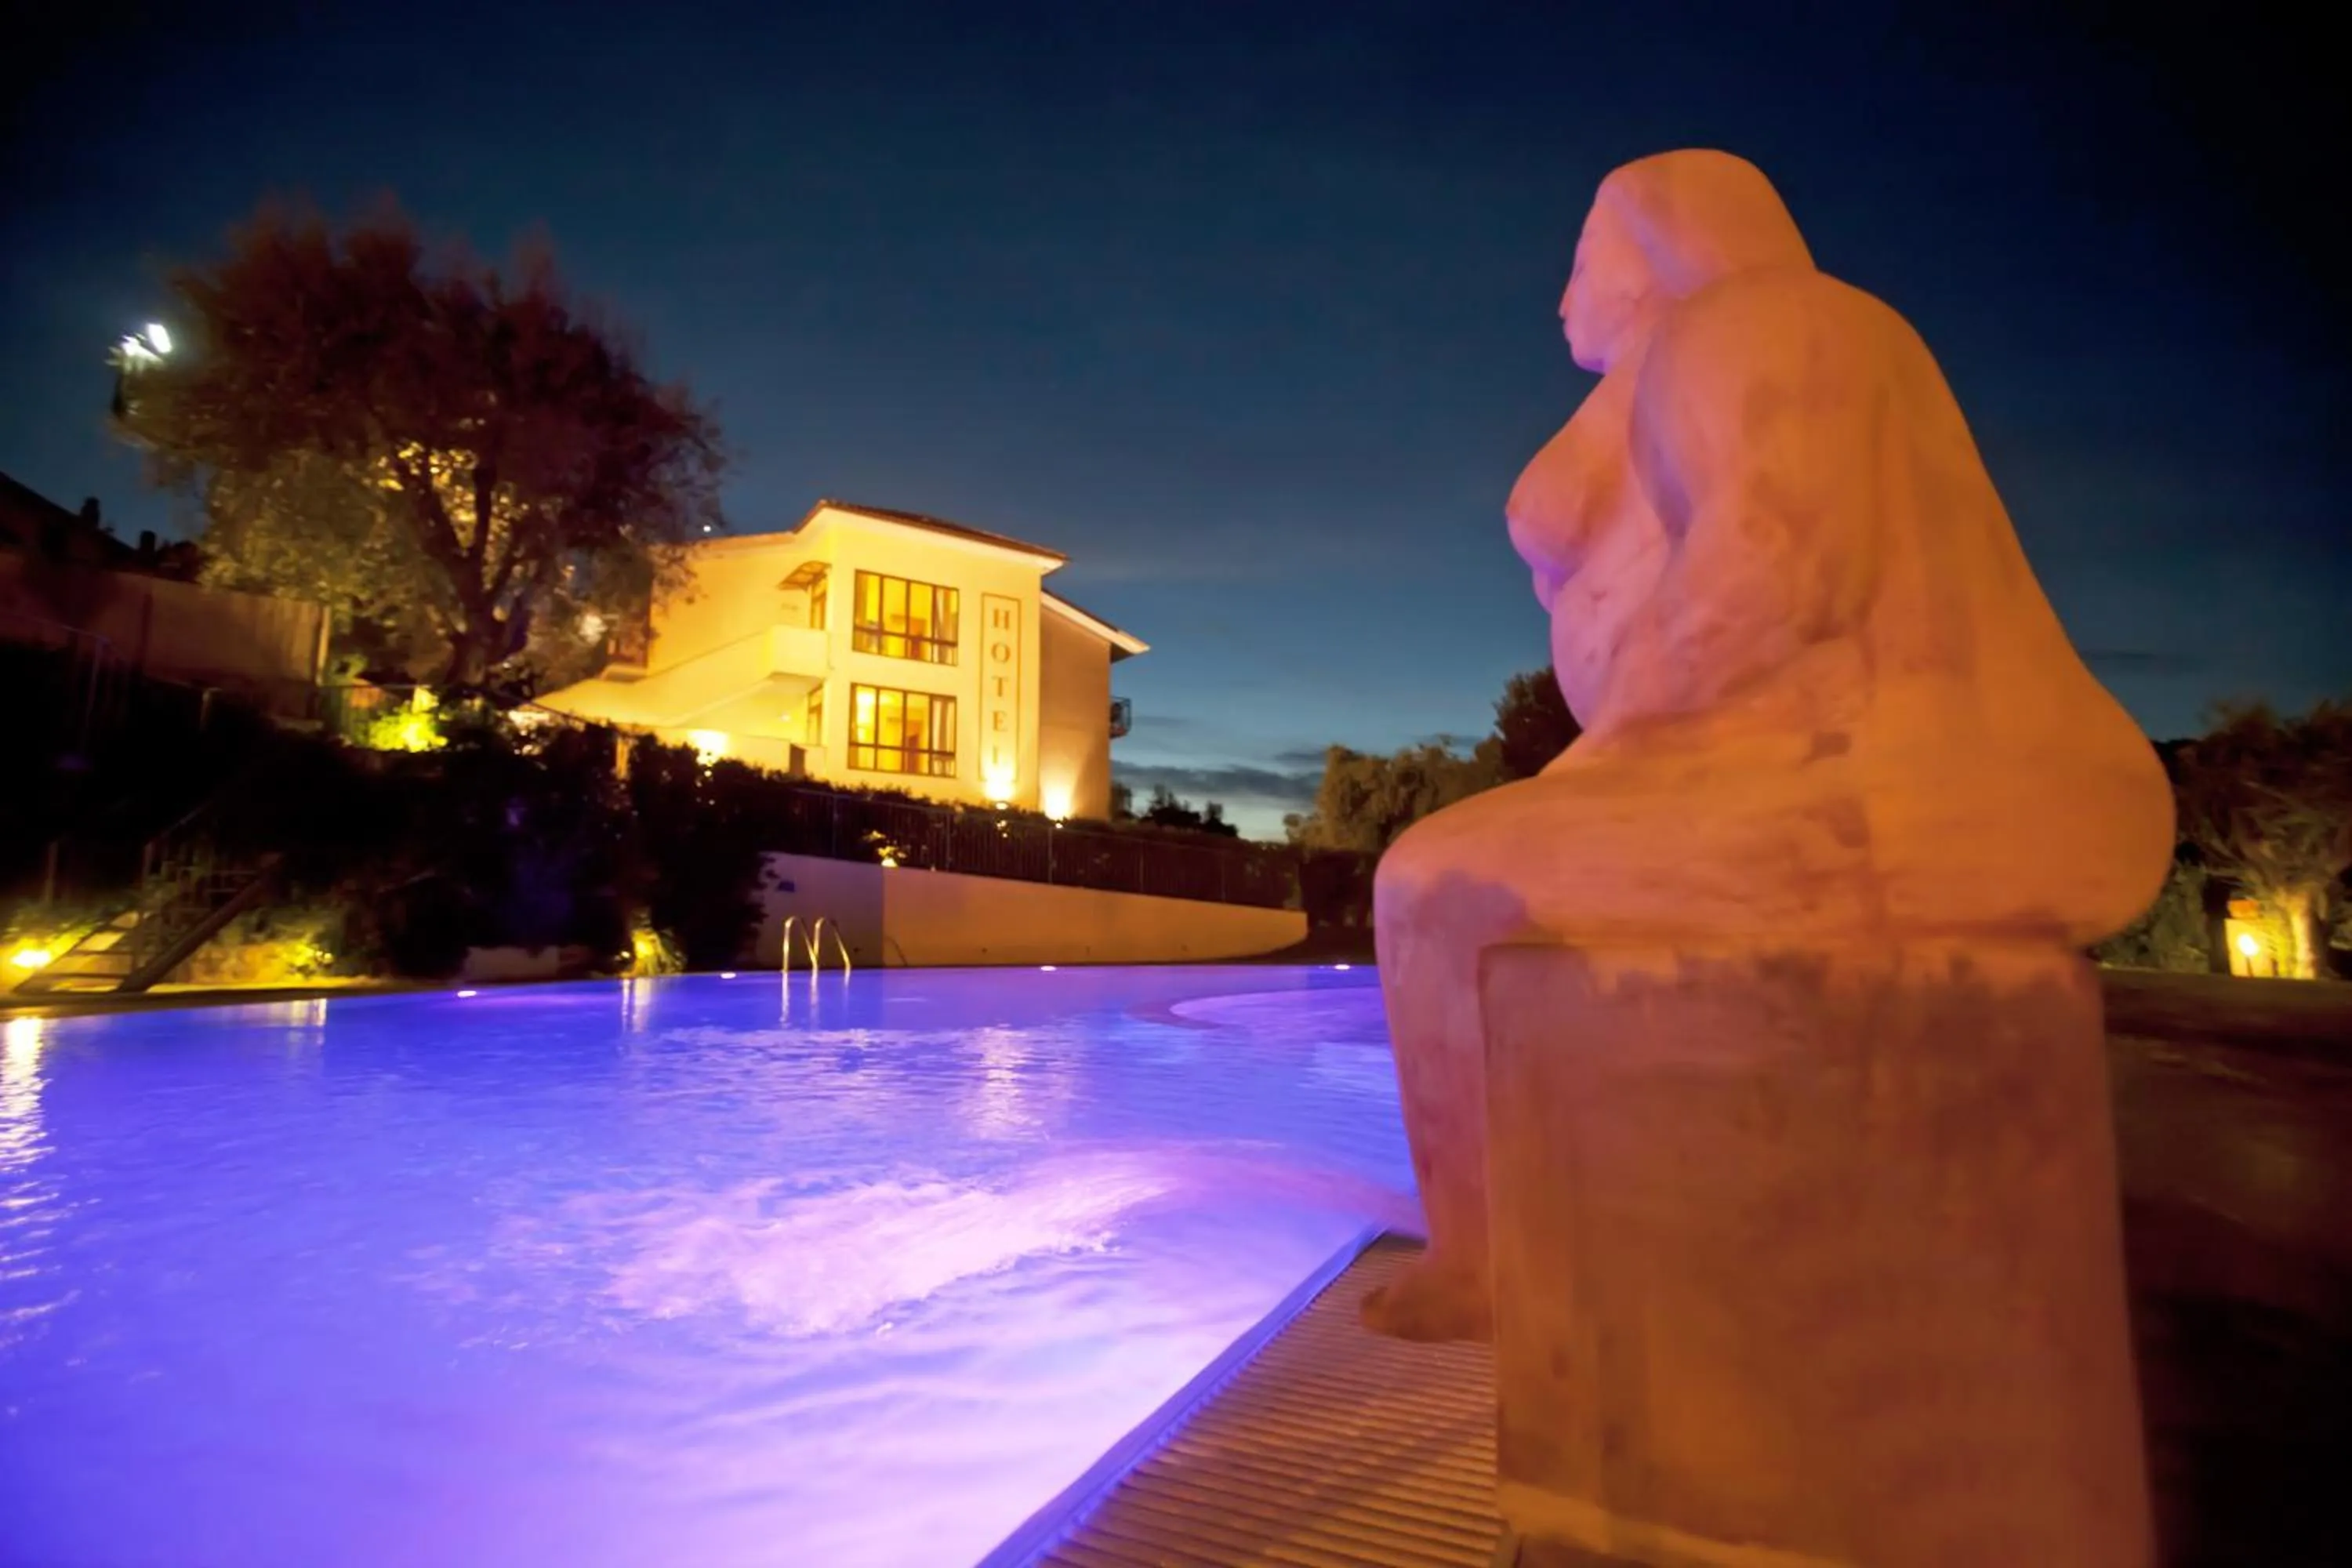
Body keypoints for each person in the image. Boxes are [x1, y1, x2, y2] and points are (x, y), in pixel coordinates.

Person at [1362, 150, 2173, 1343]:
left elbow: (1778, 578)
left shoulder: (1761, 325)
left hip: (1899, 780)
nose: (1559, 297)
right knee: (1464, 874)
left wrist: (1625, 762)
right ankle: (1501, 1245)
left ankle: (1489, 1257)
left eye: (1582, 260)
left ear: (1663, 244)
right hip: (1779, 758)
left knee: (1435, 887)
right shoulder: (1696, 360)